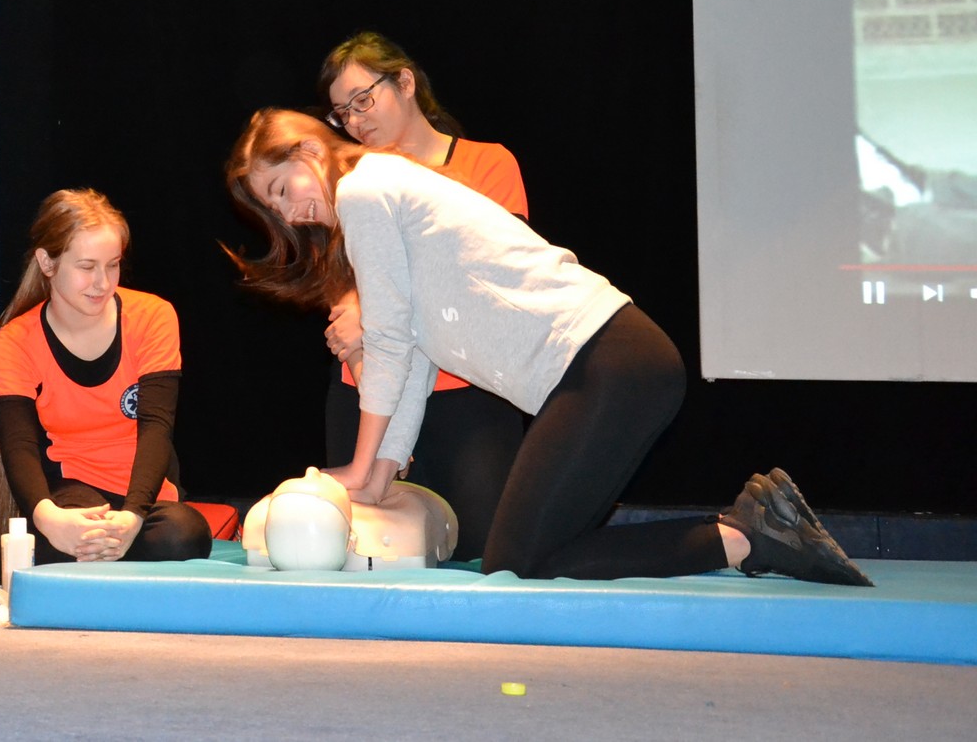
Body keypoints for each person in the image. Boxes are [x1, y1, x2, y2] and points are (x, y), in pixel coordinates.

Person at [224, 109, 872, 585]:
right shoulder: (380, 188)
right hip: (605, 367)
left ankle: (748, 537)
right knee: (522, 555)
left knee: (519, 561)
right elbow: (414, 357)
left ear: (309, 148)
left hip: (609, 360)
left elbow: (388, 342)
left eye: (282, 190)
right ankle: (753, 530)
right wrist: (380, 472)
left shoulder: (363, 189)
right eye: (273, 210)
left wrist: (361, 469)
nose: (290, 214)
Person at [316, 32, 526, 560]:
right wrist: (353, 310)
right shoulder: (349, 179)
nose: (355, 120)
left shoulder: (488, 164)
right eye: (343, 112)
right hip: (369, 392)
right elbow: (337, 279)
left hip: (467, 389)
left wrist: (372, 310)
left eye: (363, 99)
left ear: (405, 82)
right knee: (363, 548)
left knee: (487, 550)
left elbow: (494, 284)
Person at [0, 190, 212, 566]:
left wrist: (133, 516)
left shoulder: (153, 316)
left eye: (113, 265)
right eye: (87, 267)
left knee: (183, 537)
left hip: (145, 497)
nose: (102, 282)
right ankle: (72, 553)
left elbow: (156, 426)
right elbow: (19, 446)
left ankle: (88, 556)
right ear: (47, 262)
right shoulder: (13, 342)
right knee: (72, 540)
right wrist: (49, 519)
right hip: (73, 497)